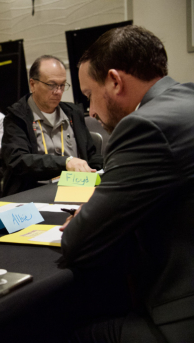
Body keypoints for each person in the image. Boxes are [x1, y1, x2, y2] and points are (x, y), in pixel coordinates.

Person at [59, 26, 194, 342]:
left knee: (59, 330)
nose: (90, 110)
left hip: (181, 316)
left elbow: (78, 243)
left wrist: (90, 217)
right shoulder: (187, 100)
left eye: (89, 95)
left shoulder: (144, 125)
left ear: (115, 81)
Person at [2, 55, 103, 195]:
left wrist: (96, 171)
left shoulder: (73, 113)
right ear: (33, 84)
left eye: (62, 85)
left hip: (75, 190)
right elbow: (18, 161)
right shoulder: (17, 116)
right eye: (52, 85)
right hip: (35, 192)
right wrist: (66, 162)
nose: (58, 91)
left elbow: (91, 154)